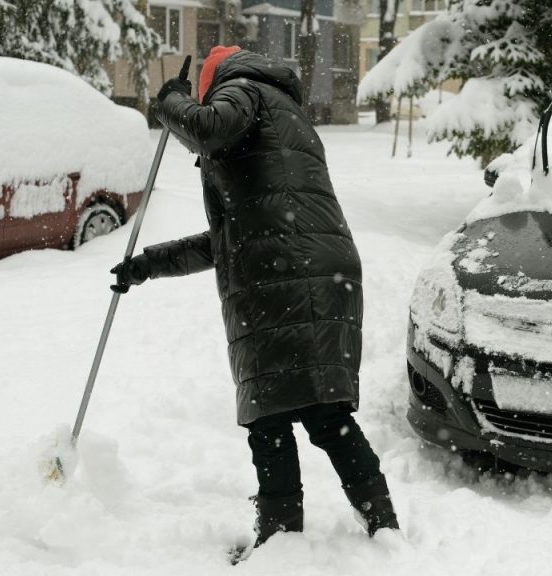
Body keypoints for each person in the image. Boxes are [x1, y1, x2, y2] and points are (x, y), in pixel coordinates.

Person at [110, 46, 398, 546]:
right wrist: (147, 265)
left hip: (283, 272)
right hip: (314, 269)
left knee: (271, 417)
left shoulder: (244, 90)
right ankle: (382, 527)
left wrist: (171, 102)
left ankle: (281, 541)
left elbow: (208, 126)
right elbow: (229, 241)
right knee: (324, 413)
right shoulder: (281, 111)